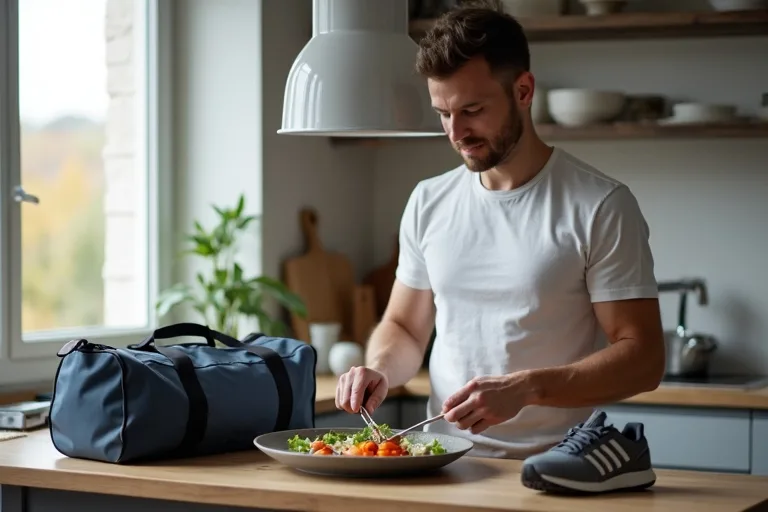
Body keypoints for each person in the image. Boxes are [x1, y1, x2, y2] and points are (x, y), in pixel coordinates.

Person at [334, 0, 666, 460]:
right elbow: (406, 328)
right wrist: (379, 370)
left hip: (559, 467)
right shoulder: (429, 201)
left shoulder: (601, 205)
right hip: (445, 463)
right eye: (444, 113)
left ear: (524, 90)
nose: (456, 132)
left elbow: (643, 359)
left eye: (472, 109)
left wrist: (527, 388)